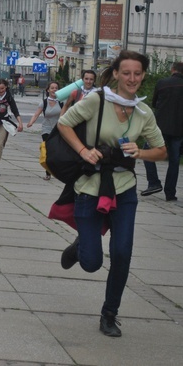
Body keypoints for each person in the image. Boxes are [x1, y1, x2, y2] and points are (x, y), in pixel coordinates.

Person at [56, 50, 166, 337]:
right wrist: (84, 150)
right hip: (90, 187)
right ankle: (80, 247)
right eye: (126, 73)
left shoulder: (144, 112)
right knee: (92, 263)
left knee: (122, 253)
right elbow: (63, 123)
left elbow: (162, 150)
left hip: (124, 189)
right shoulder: (97, 100)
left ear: (143, 76)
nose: (132, 79)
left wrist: (140, 151)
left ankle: (109, 314)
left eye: (138, 74)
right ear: (116, 74)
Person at [141, 62, 183, 201]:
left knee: (147, 152)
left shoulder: (162, 83)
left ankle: (154, 182)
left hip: (160, 126)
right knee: (174, 160)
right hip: (179, 129)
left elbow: (154, 103)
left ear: (172, 70)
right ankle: (170, 193)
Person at [27, 81, 62, 180]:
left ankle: (57, 170)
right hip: (46, 129)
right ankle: (48, 173)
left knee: (56, 151)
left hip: (58, 129)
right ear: (48, 90)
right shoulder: (44, 102)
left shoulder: (62, 101)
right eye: (52, 88)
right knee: (47, 150)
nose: (54, 90)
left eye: (56, 88)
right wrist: (31, 122)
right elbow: (36, 114)